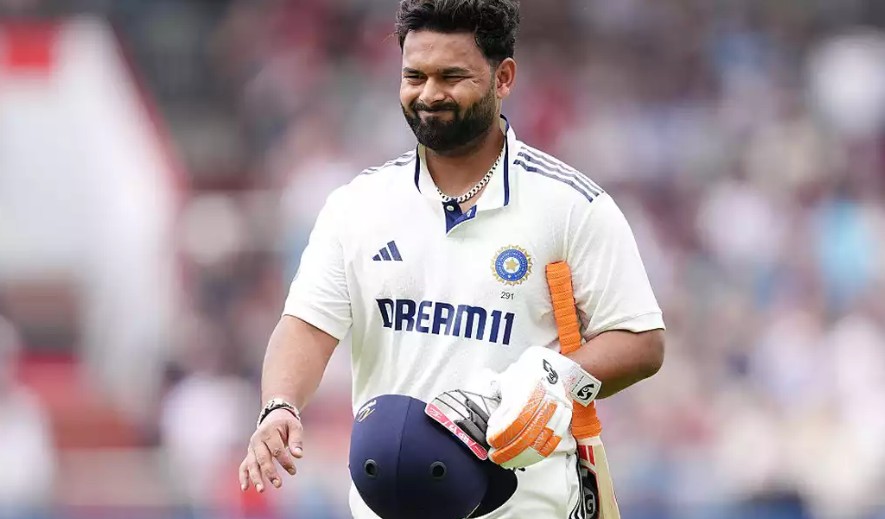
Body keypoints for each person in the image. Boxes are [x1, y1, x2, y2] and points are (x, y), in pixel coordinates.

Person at [239, 0, 665, 517]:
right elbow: (307, 326)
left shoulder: (572, 206)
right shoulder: (357, 204)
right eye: (414, 76)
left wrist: (554, 378)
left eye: (451, 76)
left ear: (503, 78)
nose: (429, 94)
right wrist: (280, 404)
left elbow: (642, 341)